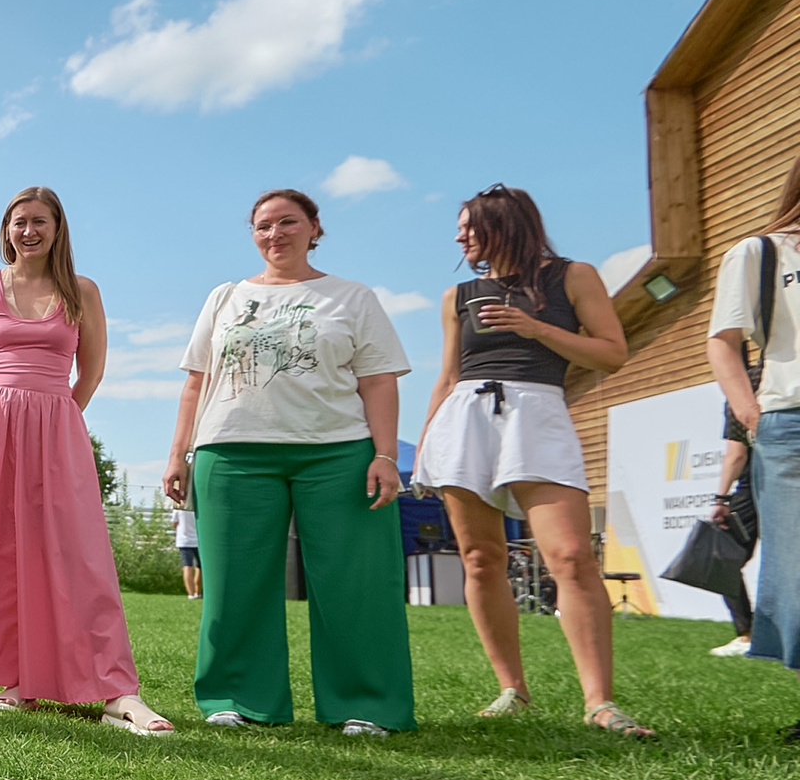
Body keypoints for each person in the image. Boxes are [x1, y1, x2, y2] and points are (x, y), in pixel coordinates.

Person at [0, 188, 169, 731]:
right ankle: (14, 680)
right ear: (6, 230)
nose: (29, 231)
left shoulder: (82, 291)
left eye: (39, 222)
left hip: (55, 430)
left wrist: (55, 420)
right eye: (19, 222)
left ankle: (117, 688)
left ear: (57, 229)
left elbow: (89, 373)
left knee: (76, 555)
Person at [162, 188, 415, 736]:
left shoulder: (352, 297)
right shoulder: (224, 297)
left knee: (355, 584)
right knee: (234, 585)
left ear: (314, 227)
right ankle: (238, 697)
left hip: (337, 452)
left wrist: (385, 455)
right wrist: (178, 452)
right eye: (262, 226)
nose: (275, 234)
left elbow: (378, 380)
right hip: (230, 451)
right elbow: (196, 381)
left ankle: (366, 704)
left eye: (287, 222)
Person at [415, 185, 648, 736]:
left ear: (504, 223)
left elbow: (613, 353)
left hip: (537, 412)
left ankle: (600, 702)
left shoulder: (573, 275)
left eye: (468, 226)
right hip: (465, 417)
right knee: (479, 557)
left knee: (569, 556)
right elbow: (448, 377)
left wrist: (537, 328)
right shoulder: (458, 295)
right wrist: (426, 440)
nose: (459, 237)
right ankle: (511, 690)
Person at [704, 155, 800, 742]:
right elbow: (723, 341)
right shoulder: (760, 253)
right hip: (789, 420)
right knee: (797, 567)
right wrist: (749, 412)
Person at [710, 423, 756, 657]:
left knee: (724, 559)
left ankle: (747, 634)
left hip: (754, 487)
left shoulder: (740, 395)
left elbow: (736, 453)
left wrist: (721, 499)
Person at [174, 504, 202, 597]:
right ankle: (198, 592)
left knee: (187, 566)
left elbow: (174, 523)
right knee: (200, 567)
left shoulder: (179, 506)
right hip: (198, 540)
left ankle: (191, 593)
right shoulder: (198, 506)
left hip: (184, 541)